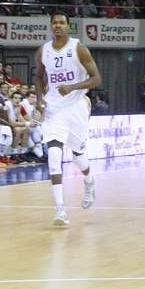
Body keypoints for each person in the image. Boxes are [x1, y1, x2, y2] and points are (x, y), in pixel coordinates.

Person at [35, 12, 101, 228]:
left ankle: (89, 180)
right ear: (50, 27)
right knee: (54, 153)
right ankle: (60, 209)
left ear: (68, 26)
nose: (58, 26)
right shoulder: (43, 51)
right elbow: (38, 77)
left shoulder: (78, 48)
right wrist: (39, 101)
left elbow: (97, 79)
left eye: (62, 22)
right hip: (54, 109)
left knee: (78, 156)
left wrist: (72, 87)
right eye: (54, 22)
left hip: (75, 107)